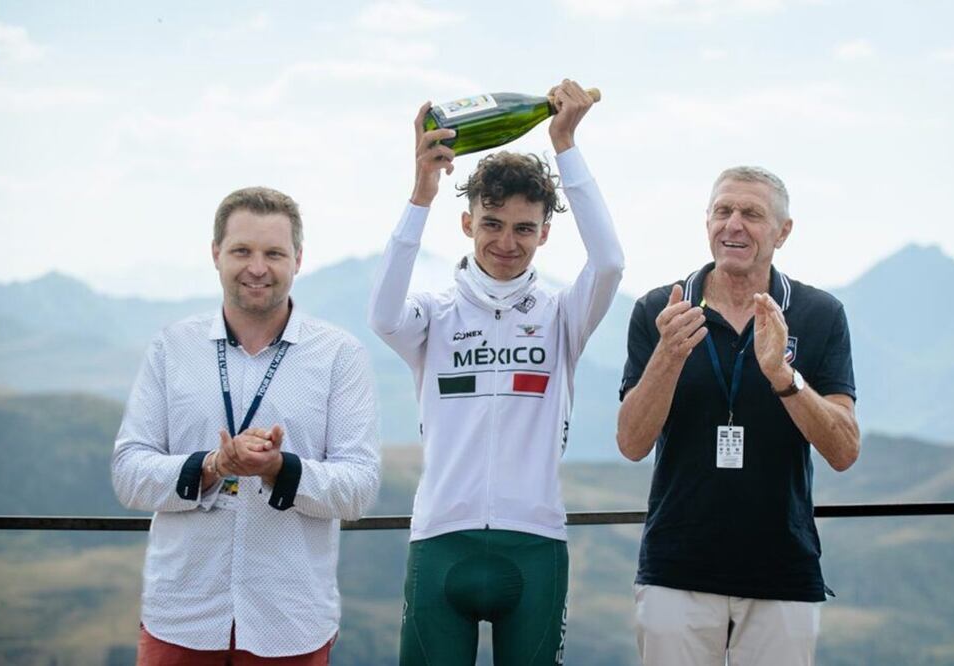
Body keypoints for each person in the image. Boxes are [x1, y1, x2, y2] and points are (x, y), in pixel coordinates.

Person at [368, 79, 624, 665]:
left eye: (524, 228)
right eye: (492, 224)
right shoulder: (435, 315)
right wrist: (421, 192)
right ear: (467, 224)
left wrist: (565, 144)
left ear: (545, 233)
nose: (507, 242)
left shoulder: (562, 315)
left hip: (534, 546)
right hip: (441, 543)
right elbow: (381, 315)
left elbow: (609, 262)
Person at [112, 186, 381, 665]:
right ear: (216, 254)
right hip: (181, 616)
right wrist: (213, 466)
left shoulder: (341, 356)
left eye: (274, 253)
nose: (257, 267)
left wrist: (280, 470)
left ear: (298, 259)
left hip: (290, 622)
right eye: (242, 251)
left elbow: (359, 489)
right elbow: (128, 474)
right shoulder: (171, 348)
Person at [616, 167, 860, 665]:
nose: (733, 225)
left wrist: (783, 376)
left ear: (783, 232)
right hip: (675, 570)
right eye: (723, 211)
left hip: (782, 572)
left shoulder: (819, 313)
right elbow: (632, 443)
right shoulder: (660, 309)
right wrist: (667, 357)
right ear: (706, 221)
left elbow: (844, 450)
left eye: (751, 213)